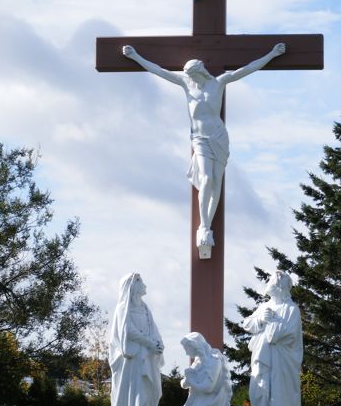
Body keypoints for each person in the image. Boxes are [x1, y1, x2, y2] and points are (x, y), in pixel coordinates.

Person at [122, 43, 285, 250]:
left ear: (201, 72)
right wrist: (136, 56)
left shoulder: (219, 83)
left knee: (217, 180)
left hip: (218, 136)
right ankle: (203, 225)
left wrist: (271, 54)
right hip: (199, 138)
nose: (193, 79)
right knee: (206, 179)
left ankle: (207, 225)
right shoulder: (185, 82)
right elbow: (158, 70)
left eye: (195, 75)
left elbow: (248, 69)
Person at [242, 270, 303, 406]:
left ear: (280, 287)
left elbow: (277, 335)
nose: (267, 283)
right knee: (260, 398)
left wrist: (270, 322)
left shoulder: (291, 310)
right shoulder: (264, 307)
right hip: (261, 362)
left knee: (278, 401)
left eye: (271, 281)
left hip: (281, 366)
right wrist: (260, 319)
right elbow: (247, 324)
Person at [108, 272, 164, 406]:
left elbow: (153, 329)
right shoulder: (123, 308)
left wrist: (157, 343)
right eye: (140, 281)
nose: (144, 285)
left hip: (146, 360)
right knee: (134, 399)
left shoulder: (145, 308)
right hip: (131, 363)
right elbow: (127, 331)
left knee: (148, 398)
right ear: (132, 286)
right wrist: (149, 343)